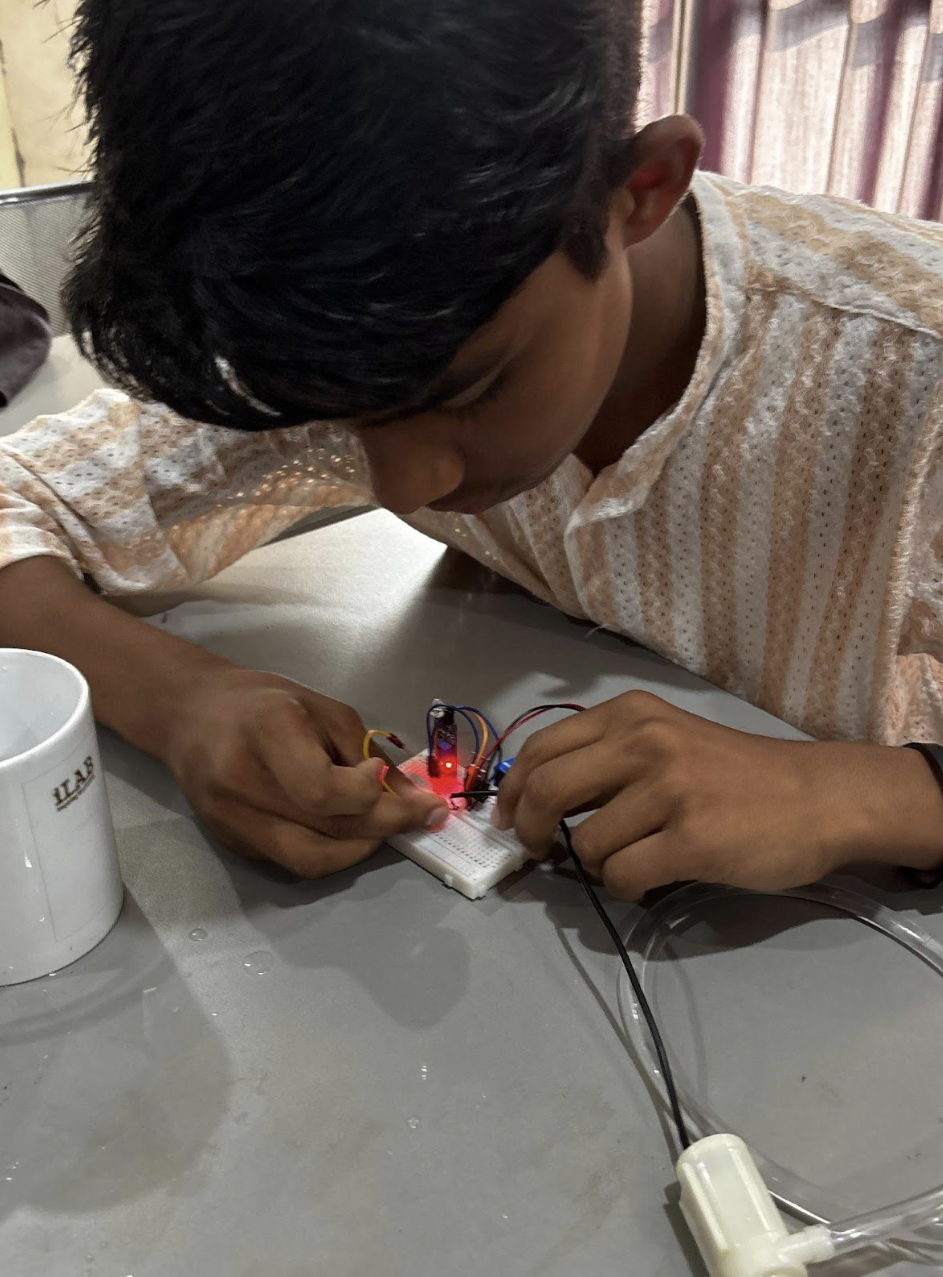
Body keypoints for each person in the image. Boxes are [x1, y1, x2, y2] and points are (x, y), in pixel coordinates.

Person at [2, 0, 943, 899]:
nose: (404, 479)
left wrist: (875, 796)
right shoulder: (341, 324)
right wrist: (176, 700)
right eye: (343, 417)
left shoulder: (909, 369)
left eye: (474, 389)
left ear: (641, 191)